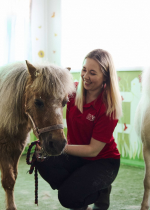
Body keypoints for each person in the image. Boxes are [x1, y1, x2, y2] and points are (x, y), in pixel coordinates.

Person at [36, 49, 122, 210]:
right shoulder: (72, 91)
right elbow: (48, 98)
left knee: (67, 198)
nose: (85, 76)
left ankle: (101, 190)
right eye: (84, 70)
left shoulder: (108, 107)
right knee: (40, 158)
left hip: (103, 161)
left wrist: (62, 148)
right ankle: (79, 191)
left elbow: (92, 150)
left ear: (105, 76)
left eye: (92, 73)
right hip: (77, 156)